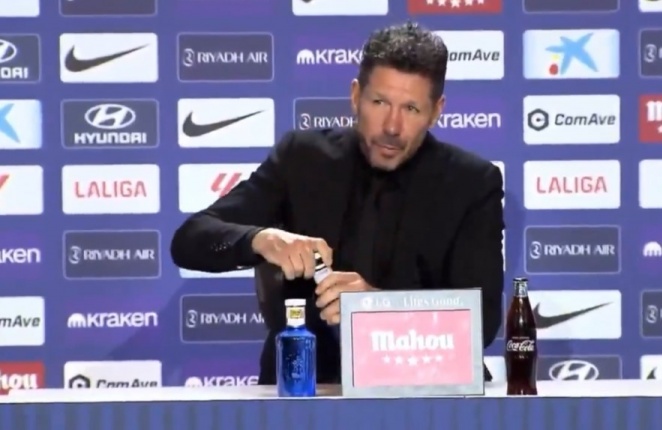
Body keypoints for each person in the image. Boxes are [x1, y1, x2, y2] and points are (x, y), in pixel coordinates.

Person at [170, 21, 505, 384]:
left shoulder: (471, 183)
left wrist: (378, 309)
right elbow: (190, 240)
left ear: (436, 111)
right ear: (355, 96)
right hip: (307, 385)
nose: (392, 127)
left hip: (423, 390)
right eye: (379, 102)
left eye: (411, 108)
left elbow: (481, 324)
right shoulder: (302, 158)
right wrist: (261, 239)